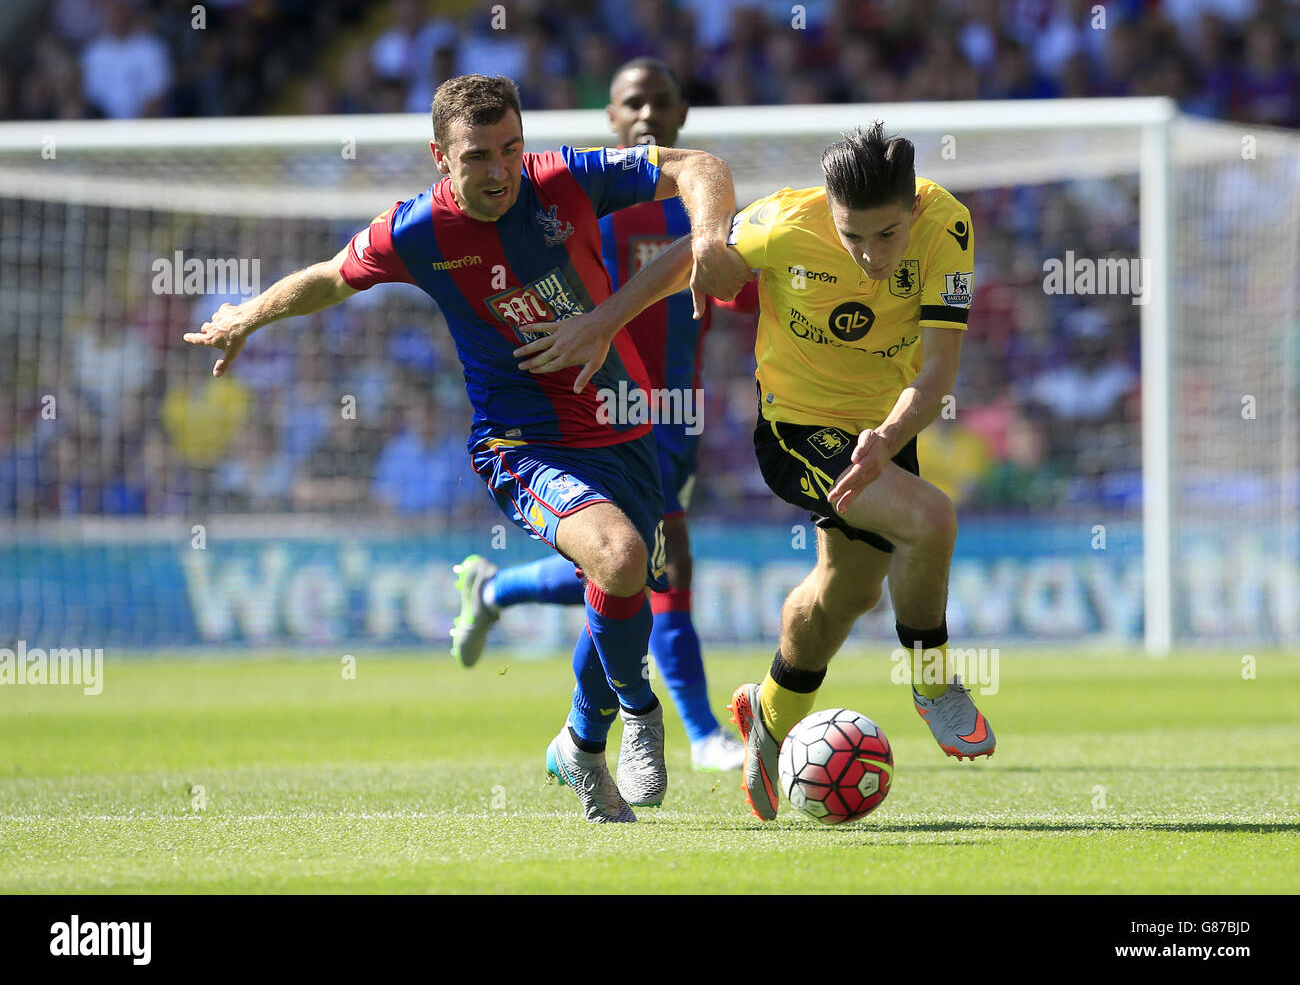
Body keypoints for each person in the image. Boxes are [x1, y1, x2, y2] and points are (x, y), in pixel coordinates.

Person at [183, 74, 749, 822]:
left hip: (624, 423)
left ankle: (578, 744)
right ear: (440, 156)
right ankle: (641, 716)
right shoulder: (415, 230)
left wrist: (703, 240)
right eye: (478, 155)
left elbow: (697, 167)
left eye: (510, 148)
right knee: (617, 557)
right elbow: (330, 277)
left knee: (623, 579)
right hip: (523, 442)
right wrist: (250, 315)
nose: (500, 170)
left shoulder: (563, 179)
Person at [516, 122, 996, 822]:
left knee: (847, 591)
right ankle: (932, 681)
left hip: (884, 427)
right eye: (852, 234)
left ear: (914, 212)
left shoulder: (949, 227)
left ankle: (766, 721)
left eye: (886, 236)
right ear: (829, 208)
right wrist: (605, 321)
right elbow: (686, 256)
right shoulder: (785, 220)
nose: (868, 254)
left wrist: (887, 435)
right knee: (932, 519)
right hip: (797, 428)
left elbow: (939, 371)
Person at [450, 57, 745, 772]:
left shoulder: (706, 209)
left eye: (660, 101)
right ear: (610, 119)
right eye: (630, 104)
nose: (646, 114)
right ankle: (696, 732)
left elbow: (746, 295)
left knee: (632, 564)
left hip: (672, 415)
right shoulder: (580, 209)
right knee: (653, 566)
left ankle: (493, 589)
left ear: (681, 116)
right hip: (595, 413)